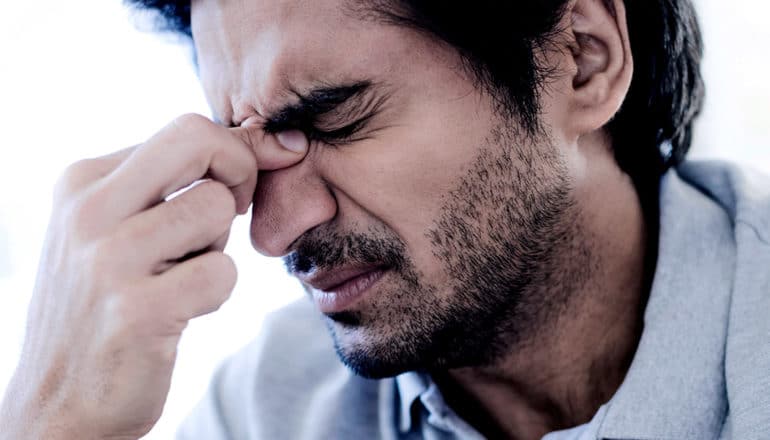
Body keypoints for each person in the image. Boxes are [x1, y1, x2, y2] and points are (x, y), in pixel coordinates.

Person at [2, 0, 769, 438]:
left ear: (581, 59)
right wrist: (56, 420)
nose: (272, 234)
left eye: (336, 119)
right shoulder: (269, 410)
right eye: (250, 149)